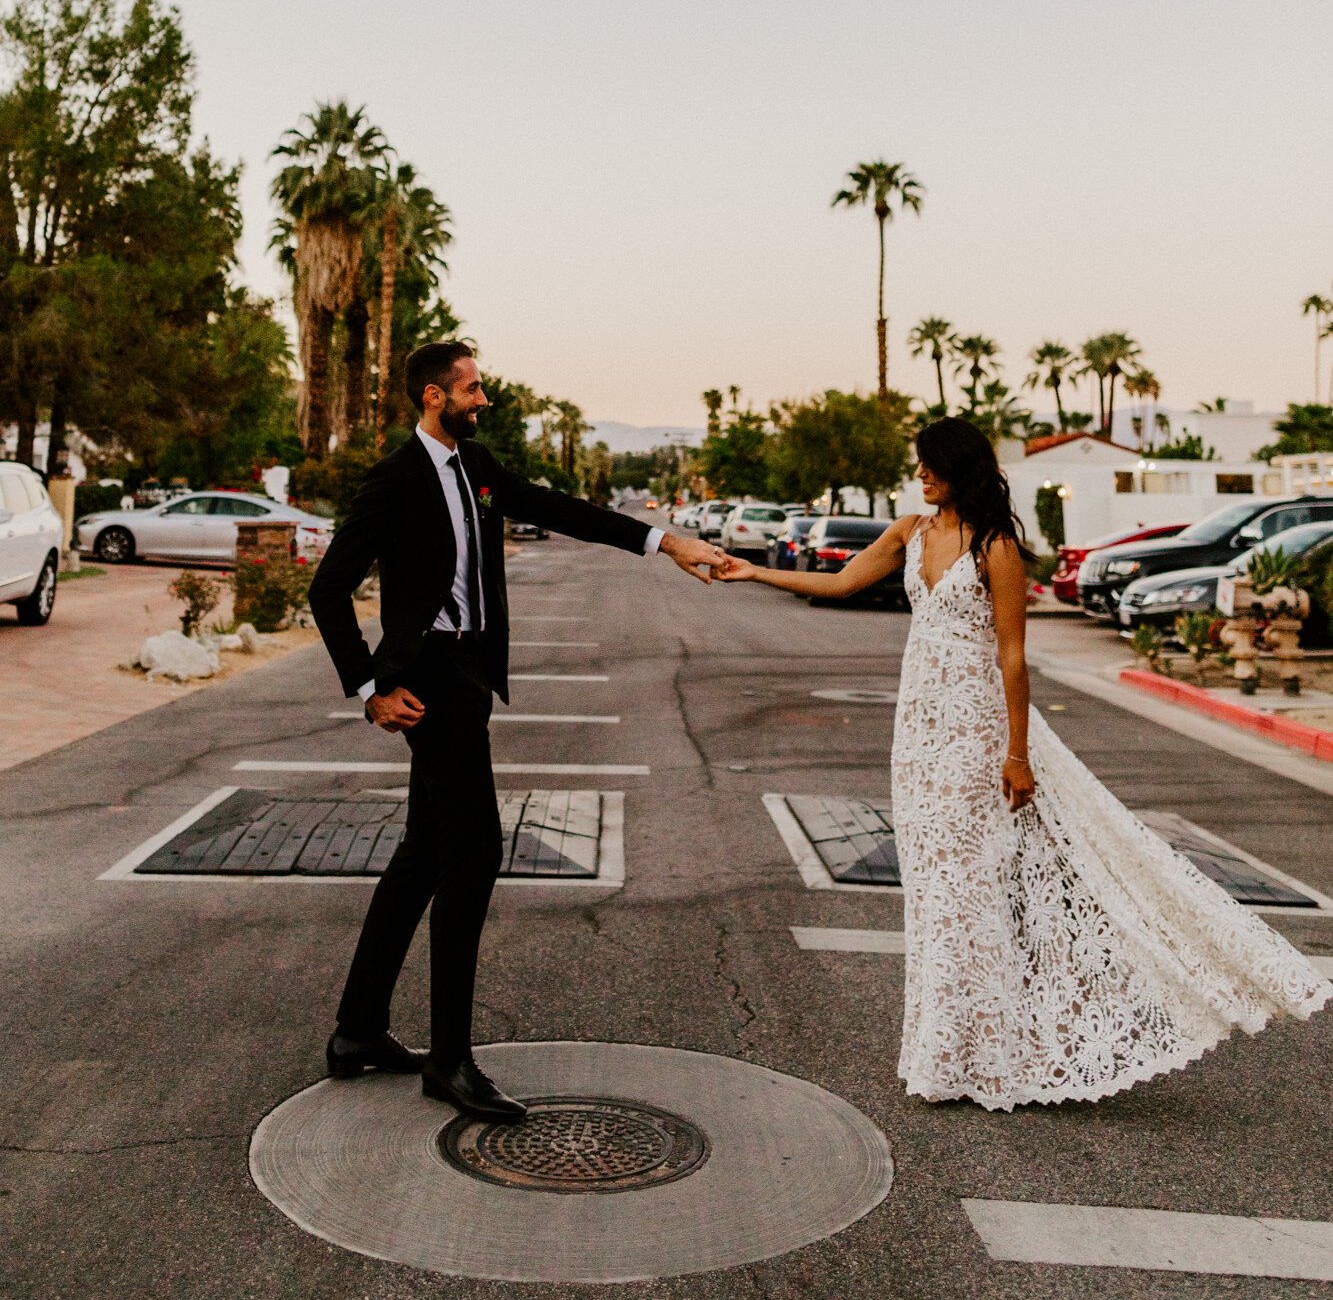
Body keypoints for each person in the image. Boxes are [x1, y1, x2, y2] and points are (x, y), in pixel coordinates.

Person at [716, 417, 1330, 1109]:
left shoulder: (996, 547)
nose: (919, 475)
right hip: (919, 732)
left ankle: (985, 1054)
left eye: (929, 466)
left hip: (976, 735)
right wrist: (747, 570)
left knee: (969, 891)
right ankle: (949, 1051)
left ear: (959, 469)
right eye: (917, 466)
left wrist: (1016, 755)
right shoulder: (908, 533)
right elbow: (835, 586)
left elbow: (1011, 656)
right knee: (931, 891)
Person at [309, 340, 724, 1120]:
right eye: (471, 389)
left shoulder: (478, 466)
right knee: (475, 854)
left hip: (466, 673)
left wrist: (664, 541)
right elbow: (328, 589)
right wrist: (369, 688)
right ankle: (450, 1061)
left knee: (422, 856)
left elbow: (555, 508)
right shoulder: (394, 481)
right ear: (433, 396)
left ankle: (358, 1032)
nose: (483, 399)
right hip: (425, 681)